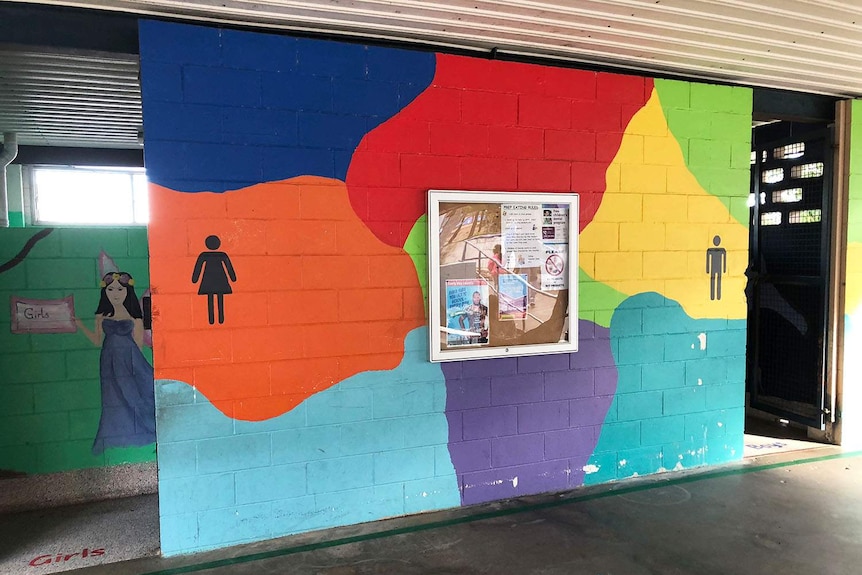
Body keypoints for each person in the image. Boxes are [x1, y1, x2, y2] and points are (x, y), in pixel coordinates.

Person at [75, 272, 156, 455]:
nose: (115, 293)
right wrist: (79, 324)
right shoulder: (102, 315)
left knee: (135, 395)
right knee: (114, 399)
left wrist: (134, 368)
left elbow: (138, 344)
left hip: (129, 360)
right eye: (111, 289)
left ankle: (148, 427)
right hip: (108, 361)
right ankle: (117, 434)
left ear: (128, 290)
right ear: (106, 292)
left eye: (120, 289)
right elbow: (97, 340)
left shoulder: (134, 316)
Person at [192, 235, 237, 325]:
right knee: (219, 298)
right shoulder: (221, 255)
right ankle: (220, 318)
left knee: (211, 298)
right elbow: (229, 268)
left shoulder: (205, 255)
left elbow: (198, 267)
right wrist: (233, 278)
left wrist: (195, 279)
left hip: (208, 279)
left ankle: (212, 319)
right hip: (220, 278)